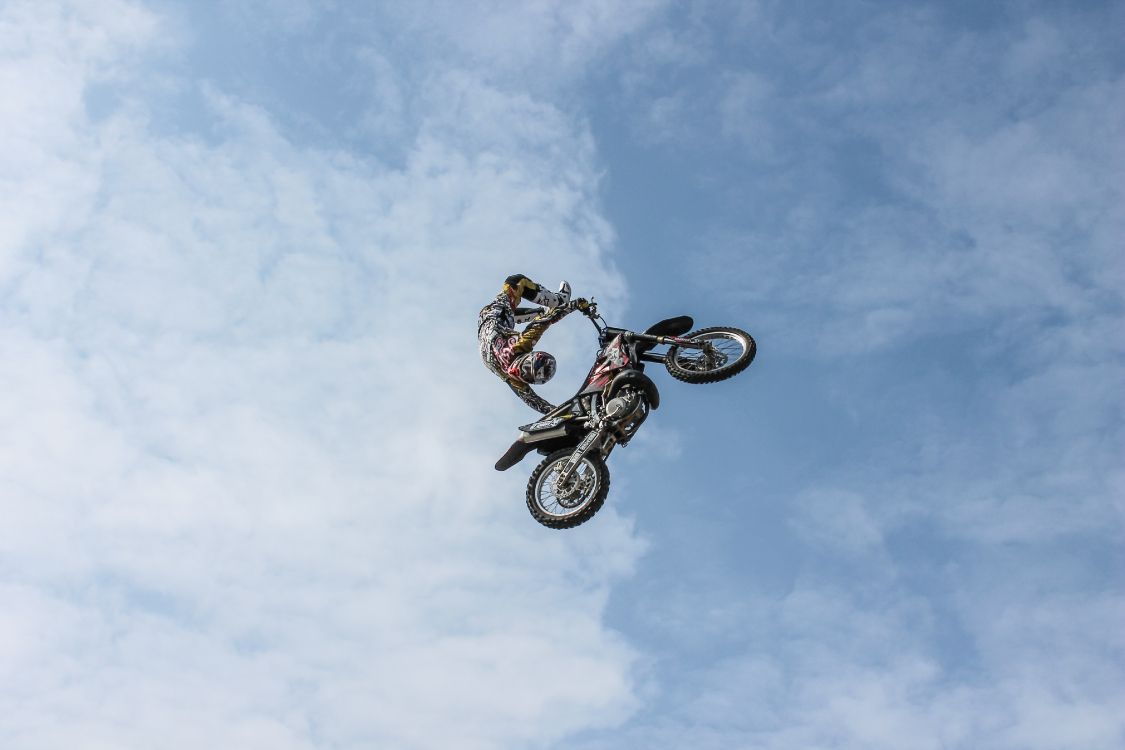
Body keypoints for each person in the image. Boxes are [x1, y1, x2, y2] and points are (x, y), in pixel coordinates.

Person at [477, 274, 585, 414]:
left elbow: (544, 323)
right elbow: (536, 402)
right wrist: (569, 416)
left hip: (494, 316)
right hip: (492, 334)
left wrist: (572, 305)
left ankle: (559, 300)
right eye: (528, 370)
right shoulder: (514, 378)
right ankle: (542, 311)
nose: (523, 372)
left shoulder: (519, 346)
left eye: (527, 372)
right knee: (531, 316)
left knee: (515, 281)